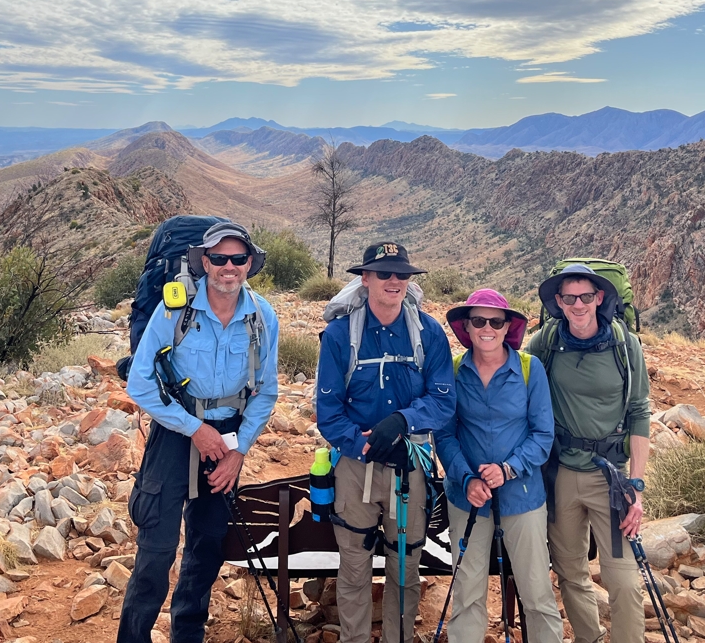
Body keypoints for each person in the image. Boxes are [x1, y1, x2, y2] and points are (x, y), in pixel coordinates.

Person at [118, 222, 280, 643]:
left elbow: (267, 391)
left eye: (238, 259)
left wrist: (239, 448)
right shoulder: (174, 311)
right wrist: (194, 429)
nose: (229, 267)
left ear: (249, 264)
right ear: (204, 262)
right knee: (156, 549)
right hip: (175, 430)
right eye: (220, 258)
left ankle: (186, 635)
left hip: (228, 439)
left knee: (207, 545)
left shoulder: (263, 317)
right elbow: (139, 384)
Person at [315, 242, 455, 643]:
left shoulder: (428, 332)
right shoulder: (341, 335)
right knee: (355, 567)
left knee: (404, 567)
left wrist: (402, 422)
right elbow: (328, 410)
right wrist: (365, 445)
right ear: (365, 279)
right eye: (384, 273)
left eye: (402, 274)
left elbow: (444, 399)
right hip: (356, 468)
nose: (394, 281)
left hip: (410, 466)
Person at [528, 264, 652, 643]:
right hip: (560, 474)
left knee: (625, 580)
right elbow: (510, 381)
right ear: (559, 302)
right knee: (570, 571)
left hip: (609, 478)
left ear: (600, 298)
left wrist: (638, 486)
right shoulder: (545, 343)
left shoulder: (624, 345)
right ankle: (589, 638)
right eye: (569, 297)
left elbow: (639, 412)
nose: (578, 304)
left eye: (586, 296)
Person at [435, 289, 563, 643]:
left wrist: (508, 468)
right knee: (468, 592)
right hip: (468, 498)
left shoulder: (528, 369)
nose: (487, 328)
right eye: (479, 320)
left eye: (496, 321)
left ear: (508, 327)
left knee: (536, 591)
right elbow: (444, 435)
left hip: (522, 495)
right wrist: (467, 478)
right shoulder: (454, 371)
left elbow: (542, 434)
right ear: (467, 327)